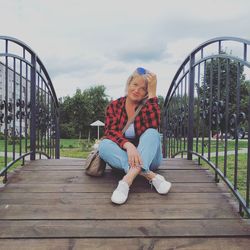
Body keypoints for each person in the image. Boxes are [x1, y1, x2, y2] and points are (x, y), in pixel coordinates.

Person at [99, 67, 171, 204]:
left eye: (143, 88)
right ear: (129, 84)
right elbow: (110, 132)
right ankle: (149, 175)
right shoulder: (114, 106)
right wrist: (128, 145)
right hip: (123, 157)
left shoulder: (147, 106)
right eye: (135, 85)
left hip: (150, 159)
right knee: (104, 145)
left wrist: (153, 93)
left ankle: (126, 181)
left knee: (152, 133)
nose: (137, 90)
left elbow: (154, 123)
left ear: (146, 92)